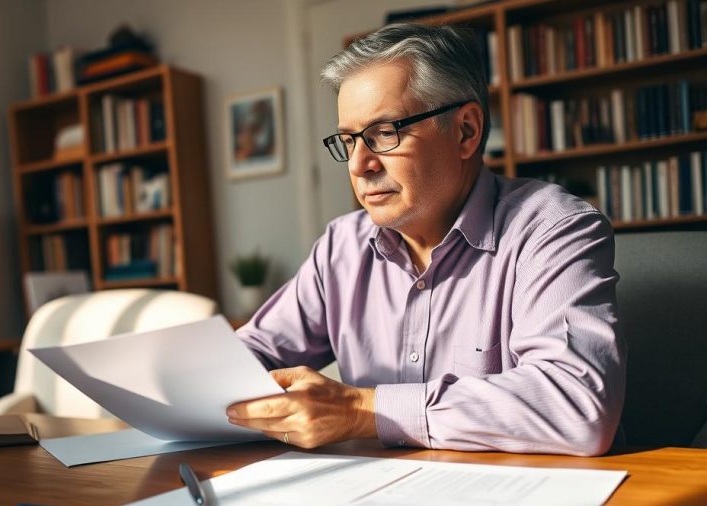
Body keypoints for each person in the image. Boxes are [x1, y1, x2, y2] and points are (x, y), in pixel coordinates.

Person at [227, 23, 625, 456]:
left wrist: (364, 410)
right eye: (348, 140)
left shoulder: (553, 228)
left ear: (466, 131)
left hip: (523, 501)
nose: (360, 165)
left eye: (383, 133)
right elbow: (251, 355)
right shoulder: (342, 245)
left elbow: (578, 405)